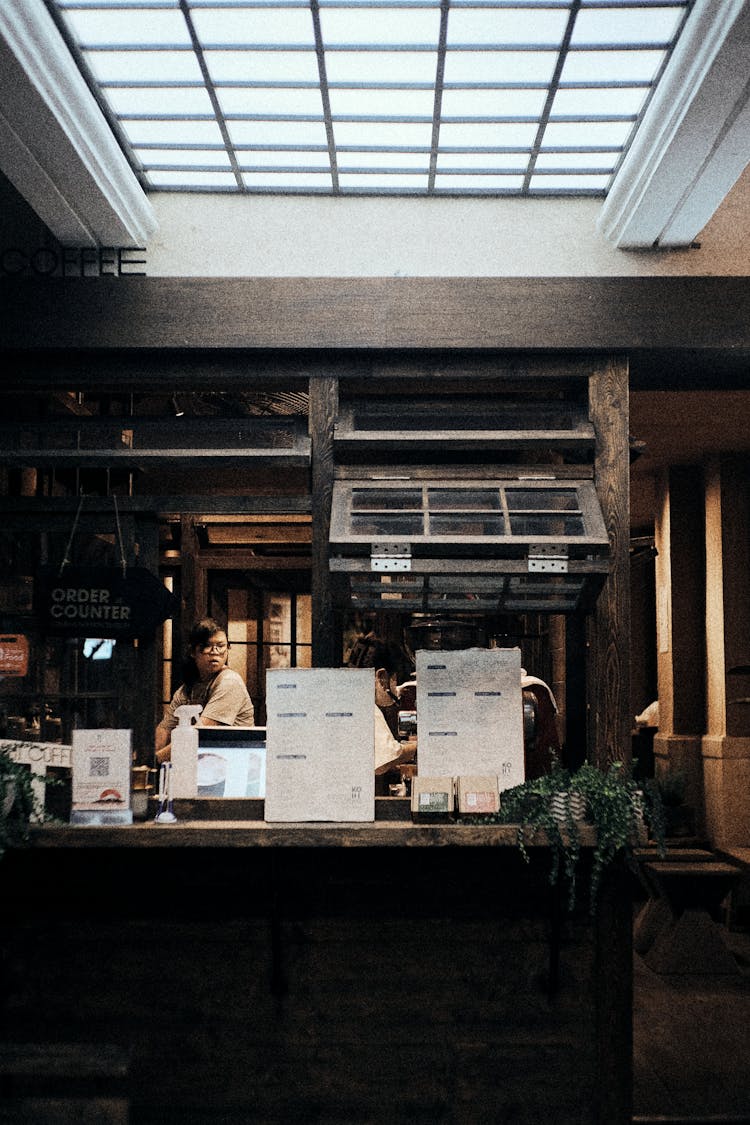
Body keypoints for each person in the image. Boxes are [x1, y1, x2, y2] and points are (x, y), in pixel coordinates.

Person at [155, 617, 254, 765]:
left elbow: (199, 733)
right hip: (205, 763)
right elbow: (165, 728)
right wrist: (149, 760)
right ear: (193, 652)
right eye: (207, 646)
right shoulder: (188, 688)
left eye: (221, 646)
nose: (215, 652)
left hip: (234, 763)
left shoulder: (229, 682)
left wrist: (157, 759)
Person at [346, 632, 415, 775]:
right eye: (396, 680)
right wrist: (422, 746)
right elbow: (390, 754)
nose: (398, 691)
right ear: (383, 677)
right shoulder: (364, 705)